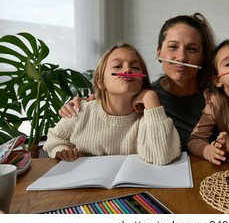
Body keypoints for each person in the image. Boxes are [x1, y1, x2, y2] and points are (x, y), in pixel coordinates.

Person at [59, 13, 229, 151]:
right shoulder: (141, 95)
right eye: (172, 47)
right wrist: (83, 104)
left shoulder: (220, 92)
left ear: (203, 57)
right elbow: (109, 106)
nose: (181, 57)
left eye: (192, 49)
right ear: (159, 51)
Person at [43, 42, 181, 165]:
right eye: (117, 66)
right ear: (99, 81)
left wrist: (150, 98)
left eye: (135, 67)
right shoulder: (80, 111)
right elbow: (55, 139)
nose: (127, 70)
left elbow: (163, 156)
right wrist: (61, 150)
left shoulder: (148, 119)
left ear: (142, 80)